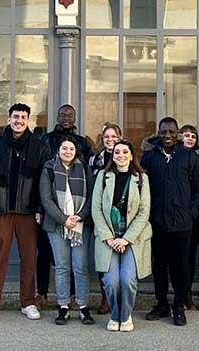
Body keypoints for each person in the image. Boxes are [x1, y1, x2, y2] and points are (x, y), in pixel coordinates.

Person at [0, 104, 51, 323]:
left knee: (29, 259)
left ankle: (28, 302)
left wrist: (40, 209)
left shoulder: (40, 147)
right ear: (9, 119)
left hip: (29, 213)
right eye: (16, 116)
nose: (19, 120)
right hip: (1, 212)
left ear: (29, 120)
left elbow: (43, 183)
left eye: (23, 117)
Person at [140, 116, 199, 326]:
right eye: (163, 132)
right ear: (158, 134)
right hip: (157, 222)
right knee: (159, 266)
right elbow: (140, 184)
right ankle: (161, 303)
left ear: (178, 134)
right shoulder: (150, 157)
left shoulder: (188, 157)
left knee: (181, 267)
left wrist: (191, 213)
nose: (167, 136)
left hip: (182, 223)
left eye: (171, 132)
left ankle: (179, 305)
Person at [92, 140, 153, 332]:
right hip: (108, 237)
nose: (120, 155)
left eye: (125, 152)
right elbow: (96, 209)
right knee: (111, 282)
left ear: (131, 155)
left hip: (132, 238)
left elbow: (144, 211)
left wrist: (126, 239)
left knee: (127, 280)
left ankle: (125, 317)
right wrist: (109, 237)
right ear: (112, 155)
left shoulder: (141, 178)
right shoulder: (103, 176)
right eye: (117, 152)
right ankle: (115, 315)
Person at [37, 103, 93, 308]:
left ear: (75, 118)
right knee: (44, 252)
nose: (67, 118)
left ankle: (72, 297)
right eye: (63, 115)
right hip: (52, 208)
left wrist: (80, 215)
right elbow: (40, 177)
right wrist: (40, 208)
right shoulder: (45, 140)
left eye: (70, 115)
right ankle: (42, 293)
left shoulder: (83, 142)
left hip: (76, 211)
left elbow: (88, 176)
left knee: (76, 262)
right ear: (57, 116)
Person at [87, 123, 122, 315]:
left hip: (120, 216)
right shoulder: (94, 160)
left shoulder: (125, 156)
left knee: (121, 258)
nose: (110, 140)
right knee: (103, 259)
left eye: (114, 137)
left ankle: (120, 297)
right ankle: (105, 298)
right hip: (99, 214)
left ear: (119, 137)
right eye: (107, 137)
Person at [180, 124, 199, 310]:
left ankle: (186, 295)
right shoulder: (172, 157)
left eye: (193, 136)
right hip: (170, 216)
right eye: (186, 135)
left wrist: (194, 212)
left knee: (188, 259)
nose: (189, 139)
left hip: (190, 219)